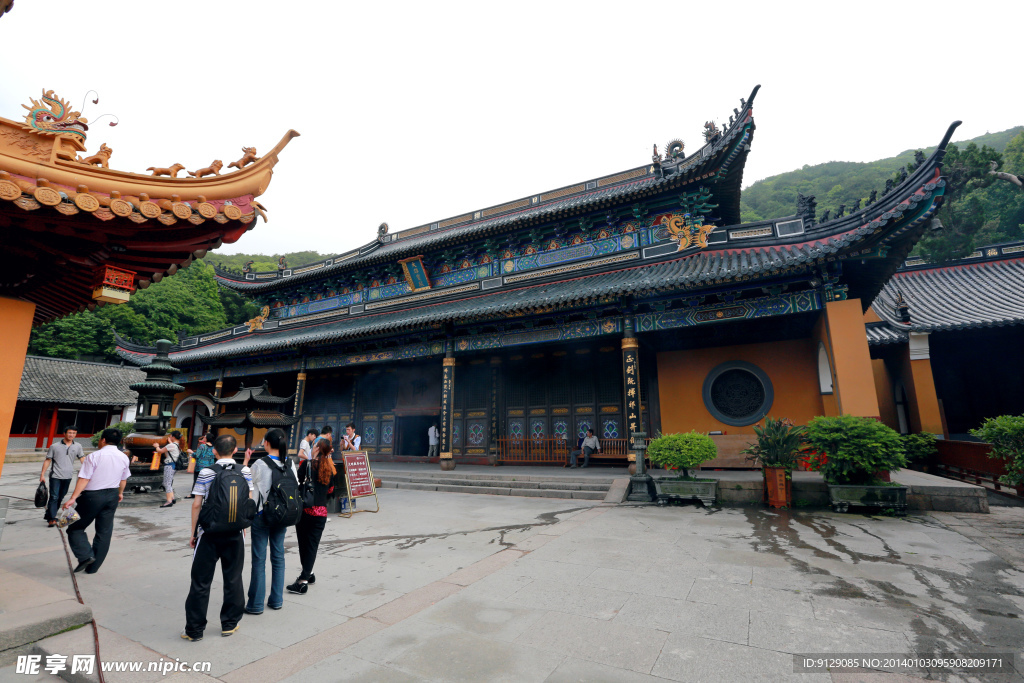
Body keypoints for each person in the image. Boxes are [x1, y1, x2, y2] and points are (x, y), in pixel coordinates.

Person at [183, 434, 253, 641]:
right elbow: (248, 501)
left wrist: (194, 532)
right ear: (235, 451)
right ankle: (229, 624)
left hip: (209, 533)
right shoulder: (245, 471)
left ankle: (194, 630)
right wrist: (243, 525)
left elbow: (197, 504)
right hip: (235, 533)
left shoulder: (206, 472)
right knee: (233, 578)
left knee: (200, 582)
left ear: (214, 451)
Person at [62, 427, 131, 574]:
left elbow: (84, 478)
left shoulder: (94, 456)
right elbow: (123, 479)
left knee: (74, 527)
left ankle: (86, 556)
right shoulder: (124, 457)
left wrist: (73, 498)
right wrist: (120, 493)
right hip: (112, 495)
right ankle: (93, 568)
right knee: (104, 532)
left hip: (92, 497)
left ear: (103, 440)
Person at [245, 428, 291, 614]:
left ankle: (256, 604)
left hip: (262, 515)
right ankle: (277, 600)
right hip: (281, 516)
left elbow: (245, 480)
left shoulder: (260, 464)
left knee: (259, 559)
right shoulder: (289, 463)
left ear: (266, 443)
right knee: (278, 557)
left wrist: (246, 461)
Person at [289, 438, 336, 595]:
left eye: (315, 445)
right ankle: (309, 573)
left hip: (306, 511)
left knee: (304, 544)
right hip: (321, 512)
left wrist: (309, 460)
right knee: (312, 545)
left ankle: (302, 582)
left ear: (316, 449)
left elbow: (299, 483)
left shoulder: (307, 465)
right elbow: (331, 491)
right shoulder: (330, 468)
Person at [40, 426, 85, 527]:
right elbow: (48, 460)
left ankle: (49, 514)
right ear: (64, 433)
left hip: (68, 476)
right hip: (55, 475)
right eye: (69, 433)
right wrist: (42, 474)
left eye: (74, 433)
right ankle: (52, 519)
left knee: (61, 497)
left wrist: (88, 470)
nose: (71, 435)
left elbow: (82, 458)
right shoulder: (54, 446)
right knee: (54, 496)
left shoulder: (78, 446)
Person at [154, 431, 190, 508]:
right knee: (168, 482)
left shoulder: (171, 445)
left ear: (173, 437)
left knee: (167, 483)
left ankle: (169, 501)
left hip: (169, 466)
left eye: (170, 436)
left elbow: (160, 451)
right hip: (174, 466)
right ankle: (172, 498)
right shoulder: (177, 445)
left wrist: (157, 446)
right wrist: (170, 441)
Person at [185, 433, 215, 499]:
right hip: (210, 467)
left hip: (200, 466)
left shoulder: (202, 446)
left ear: (207, 438)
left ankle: (193, 494)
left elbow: (197, 455)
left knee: (196, 481)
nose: (204, 437)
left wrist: (191, 452)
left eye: (205, 436)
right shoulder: (214, 447)